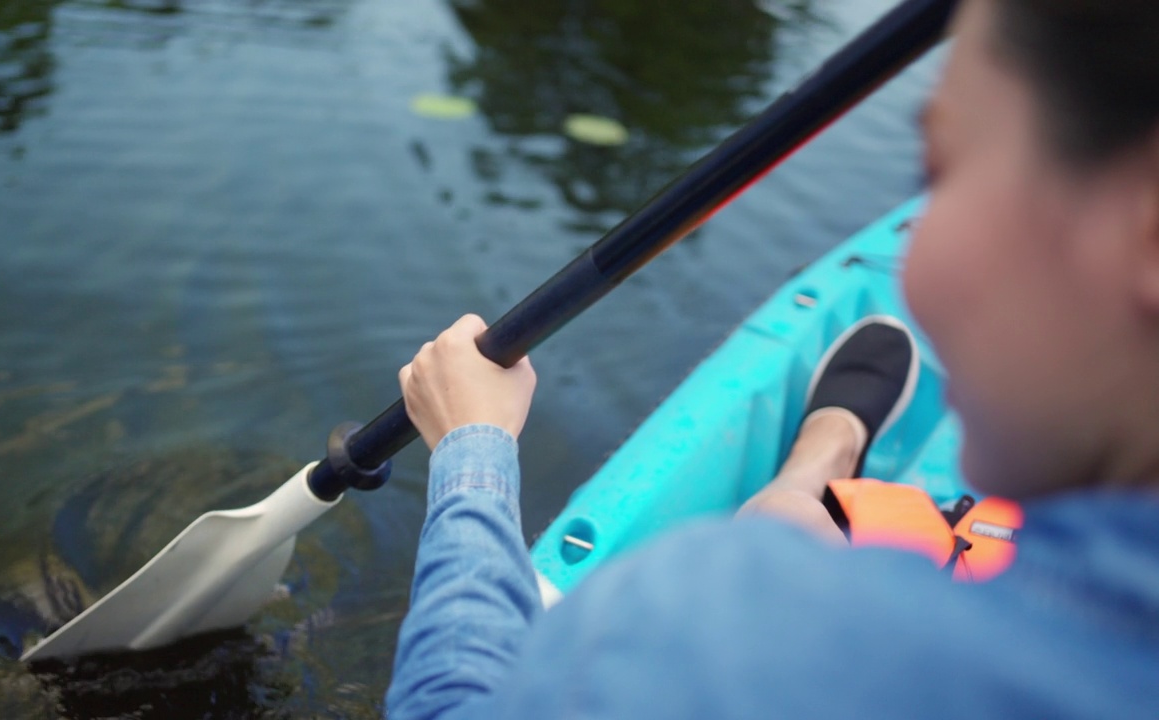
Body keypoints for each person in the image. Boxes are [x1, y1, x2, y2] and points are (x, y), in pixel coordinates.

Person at [387, 0, 1159, 717]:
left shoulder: (737, 626)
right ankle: (819, 464)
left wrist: (473, 454)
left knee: (777, 543)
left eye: (942, 170)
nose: (913, 258)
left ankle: (813, 469)